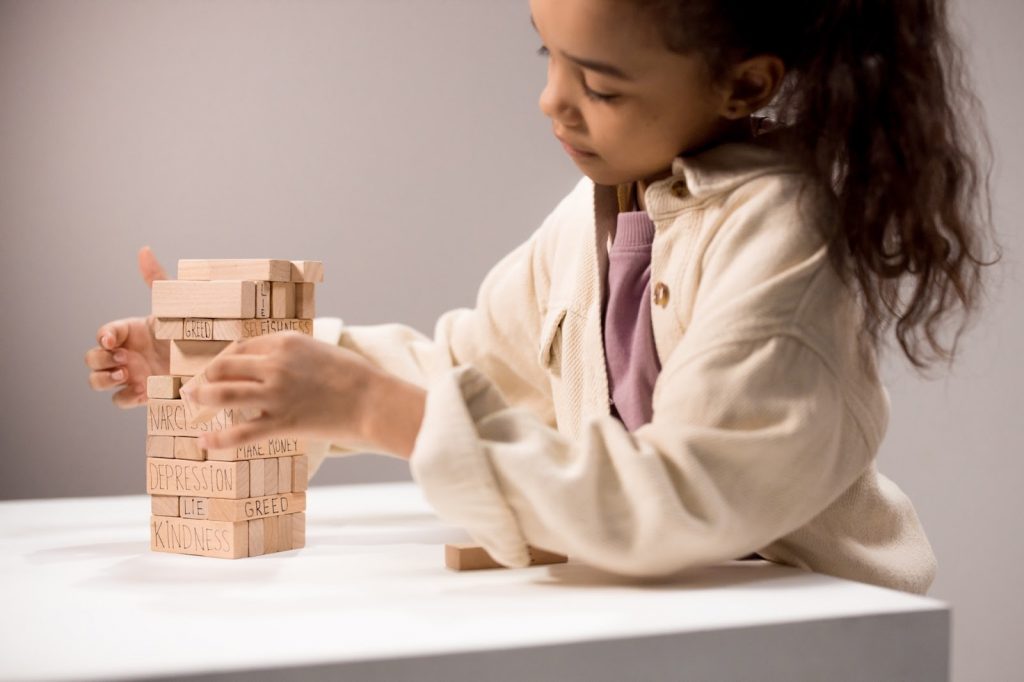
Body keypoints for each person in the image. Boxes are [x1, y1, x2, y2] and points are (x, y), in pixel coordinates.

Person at [85, 0, 999, 595]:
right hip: (670, 621)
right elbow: (467, 365)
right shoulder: (599, 210)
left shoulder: (785, 243)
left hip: (815, 625)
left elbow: (682, 502)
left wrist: (370, 406)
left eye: (597, 85)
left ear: (746, 84)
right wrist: (230, 365)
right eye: (549, 58)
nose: (550, 102)